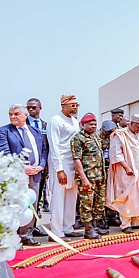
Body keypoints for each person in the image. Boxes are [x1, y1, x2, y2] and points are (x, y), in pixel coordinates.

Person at [0, 104, 48, 246]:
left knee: (32, 205)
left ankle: (27, 234)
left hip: (35, 175)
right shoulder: (4, 132)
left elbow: (43, 150)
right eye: (10, 114)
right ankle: (11, 238)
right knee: (14, 206)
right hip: (15, 177)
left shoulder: (35, 131)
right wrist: (22, 168)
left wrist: (41, 165)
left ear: (25, 115)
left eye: (16, 114)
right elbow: (4, 154)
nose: (13, 116)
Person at [106, 113, 139, 234]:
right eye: (137, 126)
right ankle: (125, 224)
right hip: (127, 172)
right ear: (131, 123)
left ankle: (137, 221)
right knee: (127, 196)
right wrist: (127, 168)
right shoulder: (120, 135)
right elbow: (116, 154)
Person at [47, 95, 82, 242]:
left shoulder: (75, 122)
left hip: (72, 163)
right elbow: (54, 146)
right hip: (59, 163)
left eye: (76, 105)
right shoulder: (56, 121)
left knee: (71, 197)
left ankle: (68, 227)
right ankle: (56, 231)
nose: (75, 107)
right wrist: (59, 169)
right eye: (72, 105)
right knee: (58, 198)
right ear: (63, 106)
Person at [70, 113, 108, 239]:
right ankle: (88, 229)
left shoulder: (95, 136)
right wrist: (84, 179)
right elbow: (77, 160)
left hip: (99, 176)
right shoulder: (78, 138)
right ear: (83, 125)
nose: (93, 126)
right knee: (86, 204)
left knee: (99, 203)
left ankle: (95, 226)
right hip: (88, 177)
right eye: (90, 124)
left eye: (95, 124)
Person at [26, 98, 50, 225]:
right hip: (28, 167)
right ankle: (26, 227)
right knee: (27, 199)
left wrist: (45, 165)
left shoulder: (45, 125)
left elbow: (47, 146)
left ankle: (34, 226)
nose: (30, 109)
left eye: (33, 107)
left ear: (40, 108)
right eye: (28, 107)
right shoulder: (23, 124)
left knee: (38, 196)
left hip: (42, 167)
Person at [98, 120, 121, 228]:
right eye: (107, 132)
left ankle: (112, 215)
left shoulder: (115, 136)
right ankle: (102, 218)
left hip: (113, 169)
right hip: (100, 170)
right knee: (102, 195)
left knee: (113, 193)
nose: (109, 134)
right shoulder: (97, 137)